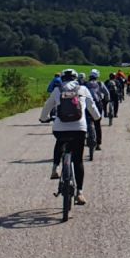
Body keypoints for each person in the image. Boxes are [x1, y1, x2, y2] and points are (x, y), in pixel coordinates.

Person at [40, 68, 101, 205]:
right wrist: (97, 117)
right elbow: (92, 107)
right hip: (79, 129)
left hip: (60, 129)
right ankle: (79, 193)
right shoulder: (83, 89)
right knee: (78, 160)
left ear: (62, 79)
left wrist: (43, 118)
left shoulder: (57, 90)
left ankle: (55, 168)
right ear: (75, 78)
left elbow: (46, 106)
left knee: (60, 142)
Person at [87, 70, 112, 141]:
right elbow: (107, 93)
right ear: (97, 76)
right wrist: (107, 101)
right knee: (97, 123)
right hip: (98, 104)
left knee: (86, 121)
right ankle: (98, 143)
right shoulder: (100, 83)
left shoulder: (86, 83)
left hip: (87, 104)